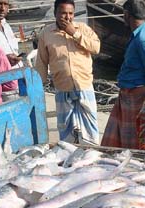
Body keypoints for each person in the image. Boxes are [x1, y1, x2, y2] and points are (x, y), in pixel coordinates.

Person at [35, 0, 100, 143]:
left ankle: (92, 154)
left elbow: (96, 47)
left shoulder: (82, 28)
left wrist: (75, 34)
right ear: (55, 14)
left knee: (90, 130)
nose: (67, 17)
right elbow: (41, 62)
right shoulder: (46, 34)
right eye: (63, 13)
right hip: (62, 88)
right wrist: (38, 87)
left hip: (84, 85)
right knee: (66, 132)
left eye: (70, 13)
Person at [101, 0, 145, 149]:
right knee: (116, 132)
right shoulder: (140, 34)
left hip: (136, 93)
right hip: (128, 92)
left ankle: (133, 163)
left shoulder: (143, 39)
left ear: (127, 15)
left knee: (131, 137)